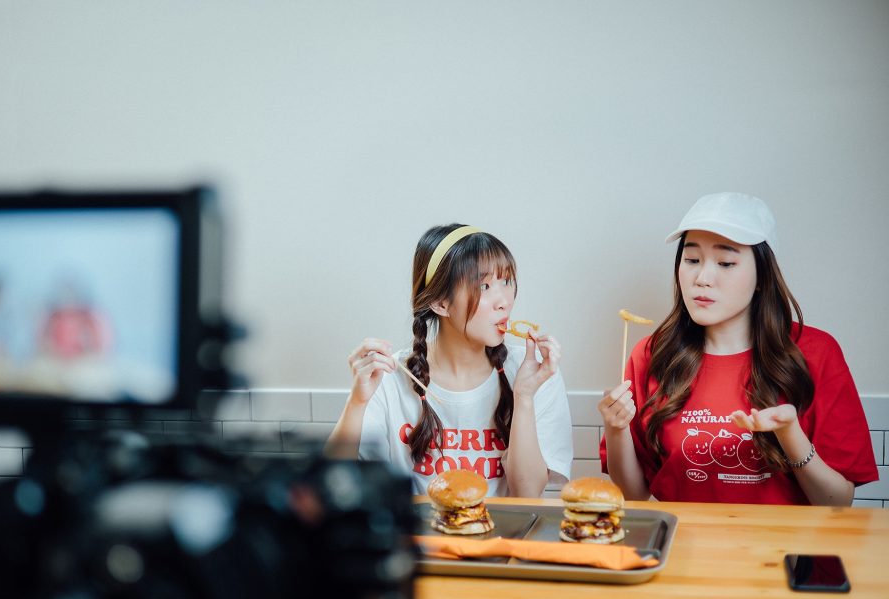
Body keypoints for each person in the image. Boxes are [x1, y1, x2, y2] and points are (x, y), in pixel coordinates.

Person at [598, 192, 877, 506]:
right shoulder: (652, 355)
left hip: (785, 540)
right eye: (692, 260)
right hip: (684, 537)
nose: (702, 278)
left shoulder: (817, 353)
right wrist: (616, 427)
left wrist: (790, 434)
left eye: (726, 263)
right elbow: (634, 493)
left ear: (762, 276)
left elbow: (837, 503)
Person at [327, 224, 574, 500]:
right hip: (419, 529)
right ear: (441, 303)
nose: (504, 301)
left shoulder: (534, 370)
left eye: (507, 281)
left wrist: (524, 396)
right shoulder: (390, 375)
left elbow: (527, 494)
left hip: (502, 530)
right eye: (484, 286)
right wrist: (357, 402)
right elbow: (331, 485)